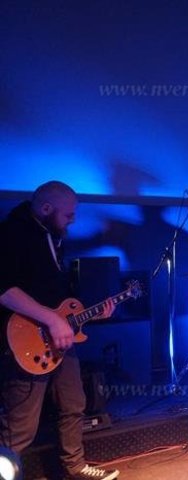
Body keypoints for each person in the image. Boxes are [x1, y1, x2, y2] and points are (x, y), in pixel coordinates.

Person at [0, 181, 119, 480]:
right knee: (20, 427)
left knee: (74, 404)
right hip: (26, 341)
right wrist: (52, 321)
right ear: (46, 208)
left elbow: (56, 299)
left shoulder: (53, 236)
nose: (73, 220)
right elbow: (4, 290)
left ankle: (75, 468)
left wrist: (91, 314)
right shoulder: (13, 233)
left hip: (60, 342)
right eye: (68, 214)